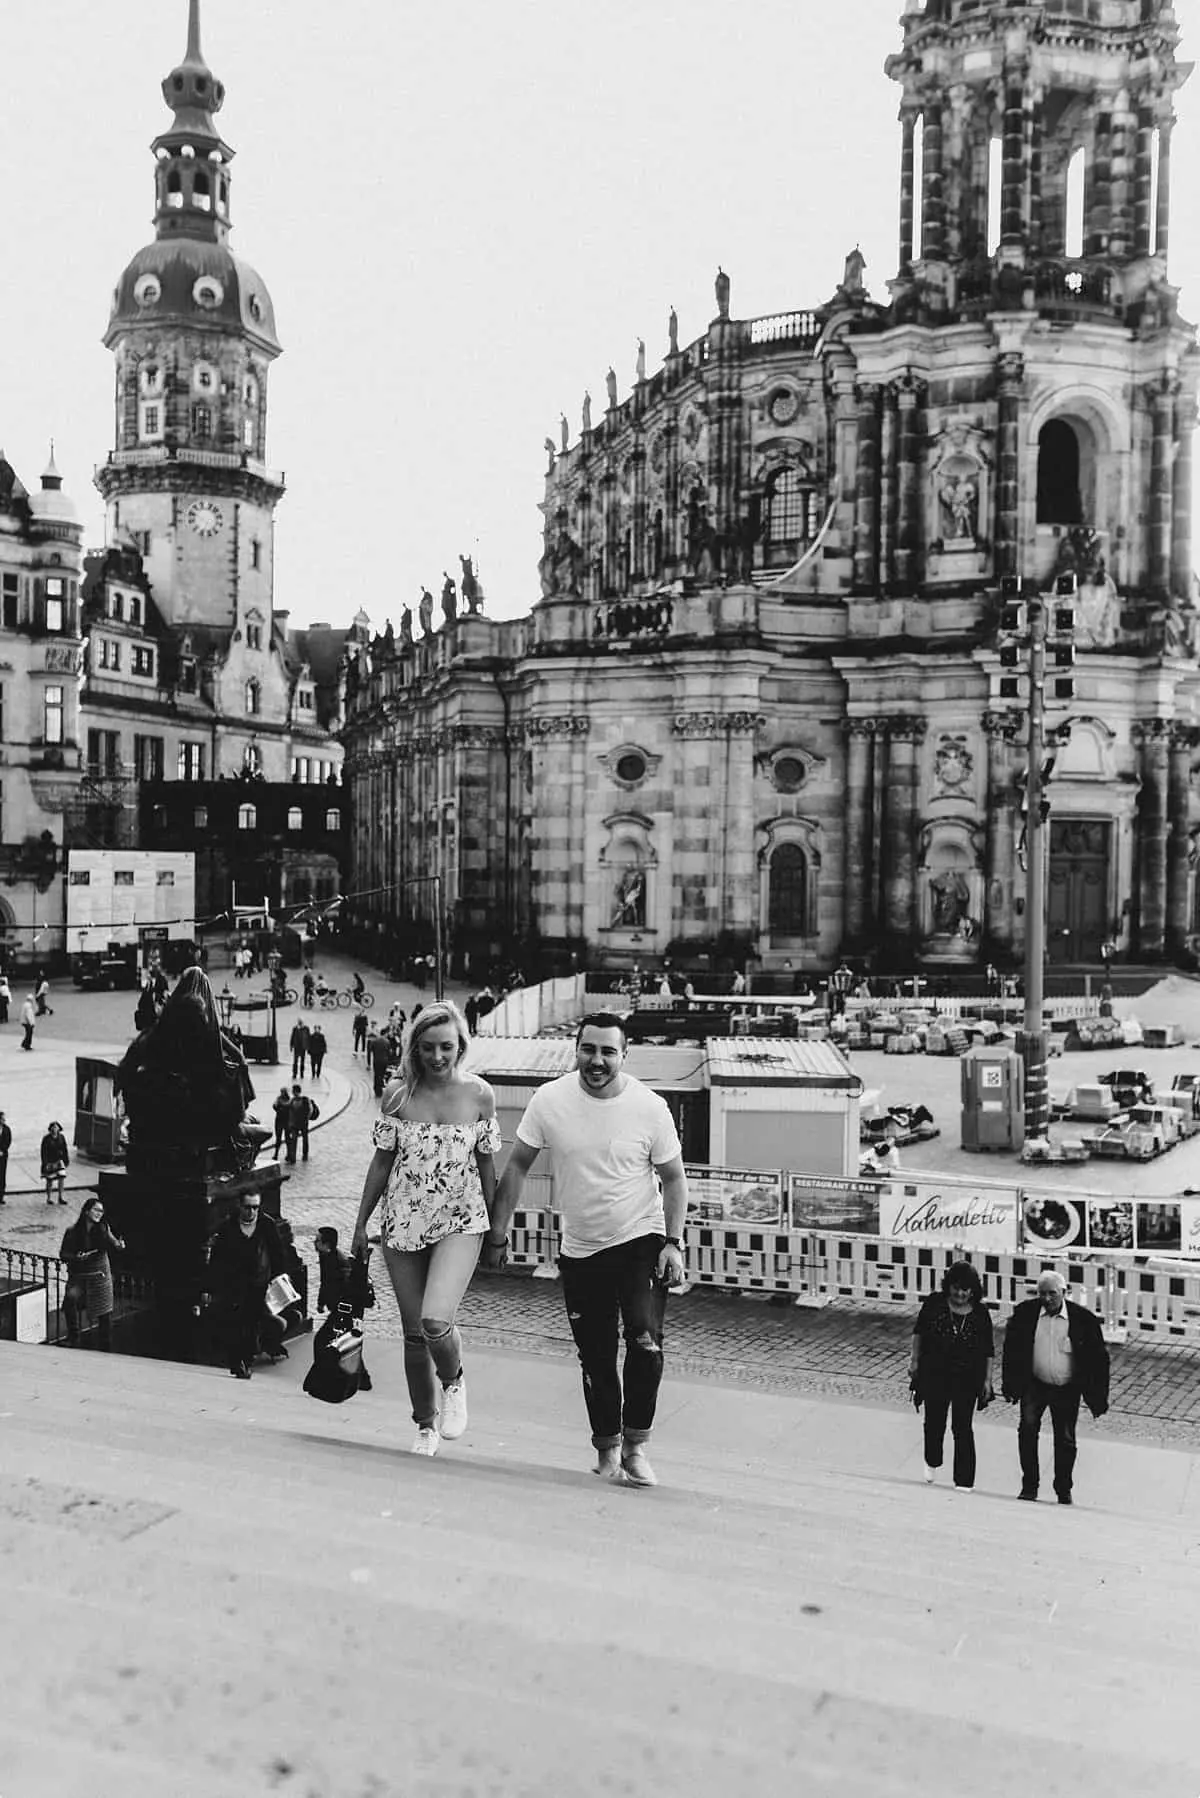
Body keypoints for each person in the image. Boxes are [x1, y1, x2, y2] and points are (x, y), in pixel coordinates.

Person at [486, 1012, 689, 1488]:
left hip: (641, 1236)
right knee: (595, 1356)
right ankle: (607, 1447)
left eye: (607, 1052)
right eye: (588, 1050)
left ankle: (636, 1448)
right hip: (581, 1248)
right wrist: (498, 1233)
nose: (596, 1061)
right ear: (575, 1050)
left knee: (644, 1341)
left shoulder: (649, 1107)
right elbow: (516, 1168)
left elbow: (675, 1178)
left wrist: (674, 1245)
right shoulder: (550, 1101)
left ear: (624, 1055)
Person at [351, 1000, 500, 1456]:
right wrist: (359, 1224)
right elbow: (381, 1163)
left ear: (461, 1047)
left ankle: (453, 1382)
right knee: (413, 1331)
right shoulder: (396, 1095)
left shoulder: (480, 1095)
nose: (438, 1057)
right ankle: (424, 1424)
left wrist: (496, 1231)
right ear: (414, 1048)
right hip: (402, 1223)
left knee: (436, 1320)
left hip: (461, 1220)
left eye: (447, 1048)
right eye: (429, 1048)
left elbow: (487, 1164)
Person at [1001, 1270, 1110, 1505]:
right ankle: (1029, 1485)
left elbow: (1099, 1360)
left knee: (1066, 1439)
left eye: (1052, 1293)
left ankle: (1063, 1488)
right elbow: (1011, 1350)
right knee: (1027, 1430)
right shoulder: (1025, 1313)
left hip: (1067, 1387)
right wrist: (1010, 1383)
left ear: (1064, 1292)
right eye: (1043, 1293)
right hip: (1034, 1384)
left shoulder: (1083, 1319)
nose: (1047, 1298)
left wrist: (1098, 1396)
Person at [909, 1262, 994, 1491]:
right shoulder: (935, 1303)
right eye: (956, 1288)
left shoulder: (981, 1313)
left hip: (967, 1377)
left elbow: (988, 1351)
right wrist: (915, 1361)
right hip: (935, 1372)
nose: (960, 1294)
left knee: (962, 1426)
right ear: (949, 1286)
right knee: (935, 1422)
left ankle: (964, 1479)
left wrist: (987, 1380)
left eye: (965, 1290)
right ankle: (932, 1460)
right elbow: (919, 1333)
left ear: (973, 1291)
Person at [208, 1192, 288, 1379]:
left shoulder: (266, 1224)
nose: (252, 1211)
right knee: (235, 1322)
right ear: (239, 1206)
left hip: (258, 1284)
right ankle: (238, 1362)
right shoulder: (228, 1227)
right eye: (248, 1207)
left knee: (251, 1322)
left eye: (255, 1207)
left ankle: (246, 1358)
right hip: (233, 1285)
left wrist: (279, 1278)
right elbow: (217, 1258)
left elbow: (277, 1253)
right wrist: (210, 1287)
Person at [60, 1196, 126, 1348]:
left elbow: (115, 1243)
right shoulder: (72, 1231)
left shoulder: (104, 1229)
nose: (99, 1213)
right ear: (86, 1211)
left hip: (100, 1275)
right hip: (80, 1275)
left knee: (104, 1311)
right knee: (71, 1299)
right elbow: (63, 1254)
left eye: (101, 1211)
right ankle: (73, 1337)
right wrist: (76, 1257)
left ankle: (105, 1344)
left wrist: (120, 1245)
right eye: (96, 1210)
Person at [315, 1225, 373, 1390]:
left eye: (317, 1240)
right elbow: (324, 1282)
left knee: (323, 1340)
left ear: (327, 1244)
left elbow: (348, 1288)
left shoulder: (337, 1261)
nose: (314, 1242)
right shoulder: (326, 1256)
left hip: (346, 1308)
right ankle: (362, 1379)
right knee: (346, 1341)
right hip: (340, 1308)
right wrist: (321, 1302)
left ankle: (322, 1377)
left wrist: (342, 1311)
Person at [285, 1083, 319, 1164]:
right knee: (295, 1140)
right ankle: (294, 1157)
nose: (292, 1092)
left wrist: (306, 1119)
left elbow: (309, 1111)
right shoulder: (292, 1100)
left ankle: (304, 1155)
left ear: (296, 1091)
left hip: (302, 1123)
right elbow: (288, 1109)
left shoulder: (304, 1100)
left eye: (293, 1091)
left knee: (302, 1139)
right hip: (296, 1124)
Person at [41, 1120, 70, 1205]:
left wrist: (66, 1160)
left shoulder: (61, 1137)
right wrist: (45, 1163)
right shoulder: (46, 1138)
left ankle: (61, 1197)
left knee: (61, 1178)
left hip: (59, 1161)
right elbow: (43, 1152)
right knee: (50, 1180)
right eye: (53, 1127)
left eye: (56, 1127)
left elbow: (65, 1149)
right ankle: (49, 1198)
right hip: (50, 1161)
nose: (55, 1129)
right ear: (50, 1129)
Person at [368, 1026, 393, 1098]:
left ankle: (376, 1089)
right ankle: (380, 1089)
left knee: (376, 1075)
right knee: (381, 1075)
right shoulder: (387, 1041)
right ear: (385, 1034)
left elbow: (370, 1051)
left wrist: (369, 1062)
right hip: (384, 1061)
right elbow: (389, 1053)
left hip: (376, 1061)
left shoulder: (374, 1041)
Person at [271, 1085, 291, 1159]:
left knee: (287, 1138)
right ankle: (277, 1154)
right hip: (281, 1120)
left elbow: (274, 1106)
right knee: (280, 1138)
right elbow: (274, 1106)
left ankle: (288, 1154)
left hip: (284, 1121)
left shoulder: (281, 1099)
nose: (282, 1093)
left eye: (283, 1092)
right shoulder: (282, 1099)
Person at [0, 1109, 9, 1202]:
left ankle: (1, 1196)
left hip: (3, 1155)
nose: (3, 1120)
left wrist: (2, 1150)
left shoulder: (6, 1129)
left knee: (2, 1175)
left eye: (4, 1119)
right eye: (2, 1119)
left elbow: (8, 1141)